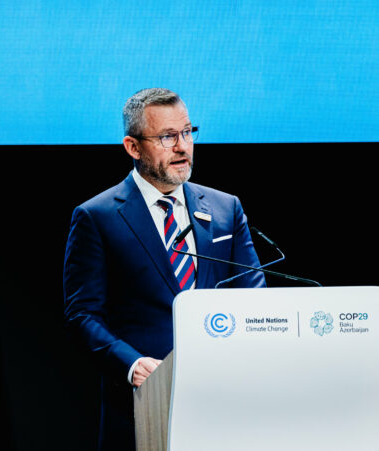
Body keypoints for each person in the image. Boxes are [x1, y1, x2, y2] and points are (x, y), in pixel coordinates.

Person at [63, 88, 266, 450]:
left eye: (188, 132)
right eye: (167, 137)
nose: (182, 147)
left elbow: (254, 297)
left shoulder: (225, 209)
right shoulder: (98, 216)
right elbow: (82, 314)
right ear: (133, 147)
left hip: (224, 402)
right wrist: (131, 363)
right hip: (143, 404)